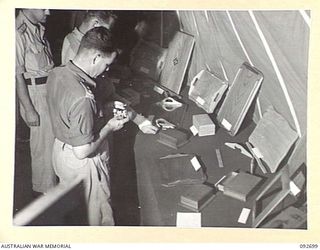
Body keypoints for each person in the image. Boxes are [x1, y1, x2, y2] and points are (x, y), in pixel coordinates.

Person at [47, 27, 153, 226]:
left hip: (61, 153)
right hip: (84, 162)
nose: (107, 70)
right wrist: (110, 126)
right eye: (106, 64)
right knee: (97, 218)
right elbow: (83, 151)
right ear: (95, 57)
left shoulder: (58, 73)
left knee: (76, 214)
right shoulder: (83, 97)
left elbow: (68, 112)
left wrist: (104, 106)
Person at [61, 10, 158, 135]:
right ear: (95, 24)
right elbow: (99, 95)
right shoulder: (80, 53)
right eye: (106, 30)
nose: (108, 35)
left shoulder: (76, 42)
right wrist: (136, 118)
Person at [16, 9, 57, 195]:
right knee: (43, 148)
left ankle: (51, 189)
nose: (48, 12)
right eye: (44, 7)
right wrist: (28, 109)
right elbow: (16, 76)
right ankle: (44, 194)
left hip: (47, 91)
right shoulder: (17, 32)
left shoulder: (38, 29)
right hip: (35, 95)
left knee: (51, 145)